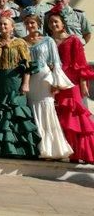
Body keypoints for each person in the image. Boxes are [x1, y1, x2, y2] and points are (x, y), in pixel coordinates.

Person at [0, 16, 41, 158]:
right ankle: (0, 148)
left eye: (5, 24)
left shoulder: (20, 43)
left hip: (15, 81)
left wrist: (26, 83)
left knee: (16, 111)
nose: (2, 27)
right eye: (0, 24)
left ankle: (19, 149)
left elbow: (27, 66)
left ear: (12, 27)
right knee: (0, 112)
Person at [23, 14, 74, 160]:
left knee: (47, 110)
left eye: (32, 22)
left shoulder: (48, 40)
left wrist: (56, 83)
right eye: (27, 23)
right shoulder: (22, 41)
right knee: (32, 111)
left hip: (45, 80)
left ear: (38, 24)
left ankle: (52, 149)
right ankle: (37, 148)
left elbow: (56, 62)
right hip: (30, 81)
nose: (30, 25)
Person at [47, 8, 94, 164]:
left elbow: (81, 63)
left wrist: (83, 85)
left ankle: (85, 153)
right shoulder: (48, 41)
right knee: (60, 117)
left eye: (56, 22)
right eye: (51, 22)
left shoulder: (73, 40)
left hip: (71, 83)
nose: (54, 25)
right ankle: (67, 151)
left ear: (63, 24)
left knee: (76, 117)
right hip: (54, 83)